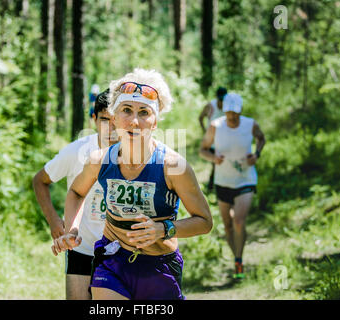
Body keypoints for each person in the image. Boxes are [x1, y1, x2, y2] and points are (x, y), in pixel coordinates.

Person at [52, 68, 213, 300]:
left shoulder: (173, 166)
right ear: (115, 118)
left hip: (159, 265)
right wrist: (73, 229)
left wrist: (163, 229)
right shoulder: (99, 160)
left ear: (155, 122)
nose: (134, 122)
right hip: (112, 261)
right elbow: (77, 191)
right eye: (126, 110)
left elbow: (205, 221)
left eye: (144, 113)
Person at [33, 89, 117, 300]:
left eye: (116, 121)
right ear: (93, 119)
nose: (111, 129)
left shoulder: (134, 155)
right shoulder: (76, 151)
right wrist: (54, 221)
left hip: (120, 251)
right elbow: (40, 181)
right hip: (81, 247)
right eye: (104, 120)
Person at [199, 92, 266, 279]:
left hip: (246, 179)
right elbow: (202, 150)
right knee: (227, 225)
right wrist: (213, 158)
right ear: (224, 110)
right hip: (223, 181)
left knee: (238, 220)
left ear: (240, 110)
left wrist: (256, 155)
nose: (232, 116)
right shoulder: (216, 126)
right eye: (229, 112)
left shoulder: (250, 124)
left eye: (235, 113)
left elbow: (261, 139)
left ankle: (239, 259)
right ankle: (236, 256)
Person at [198, 87, 228, 191]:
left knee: (220, 163)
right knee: (216, 163)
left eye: (223, 100)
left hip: (224, 139)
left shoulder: (229, 106)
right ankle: (212, 186)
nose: (222, 102)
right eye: (220, 100)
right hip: (212, 140)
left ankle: (214, 186)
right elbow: (201, 117)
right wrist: (205, 131)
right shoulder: (210, 106)